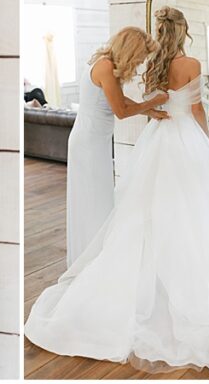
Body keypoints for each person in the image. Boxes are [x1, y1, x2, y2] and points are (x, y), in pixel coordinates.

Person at [25, 6, 209, 372]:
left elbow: (144, 104)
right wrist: (207, 142)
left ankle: (150, 275)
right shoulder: (191, 64)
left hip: (157, 135)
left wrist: (156, 109)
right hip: (183, 137)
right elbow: (195, 110)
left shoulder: (152, 64)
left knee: (144, 209)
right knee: (197, 212)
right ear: (185, 32)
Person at [65, 26, 169, 266]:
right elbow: (121, 111)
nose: (143, 60)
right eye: (142, 54)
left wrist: (150, 110)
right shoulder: (104, 67)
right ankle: (92, 254)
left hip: (95, 139)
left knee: (98, 194)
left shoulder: (105, 64)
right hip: (88, 142)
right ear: (132, 49)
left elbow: (118, 99)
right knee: (93, 196)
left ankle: (95, 250)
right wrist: (154, 101)